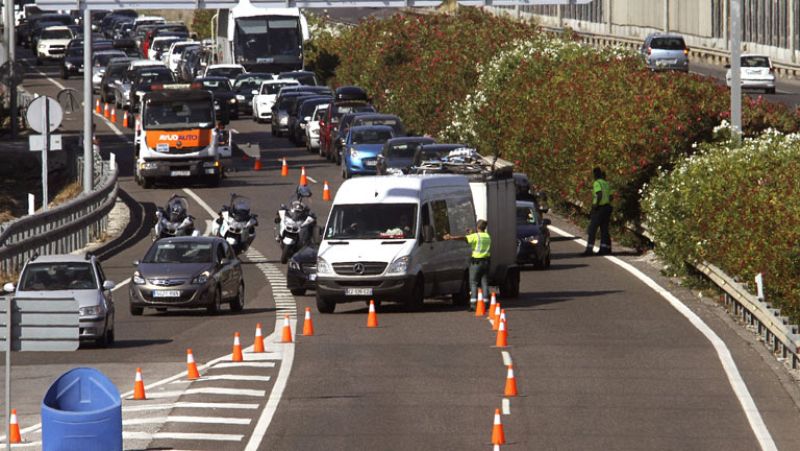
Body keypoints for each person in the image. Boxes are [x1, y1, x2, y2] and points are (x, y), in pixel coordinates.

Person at [444, 220, 491, 311]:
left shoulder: (475, 236)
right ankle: (486, 303)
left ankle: (473, 304)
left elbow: (464, 238)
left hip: (476, 263)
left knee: (473, 283)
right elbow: (477, 237)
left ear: (477, 227)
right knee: (484, 282)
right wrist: (473, 233)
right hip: (486, 262)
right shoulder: (487, 236)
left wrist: (451, 237)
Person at [583, 167, 612, 256]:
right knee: (604, 229)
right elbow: (611, 197)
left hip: (599, 208)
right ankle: (603, 249)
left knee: (592, 229)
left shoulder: (597, 183)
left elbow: (599, 194)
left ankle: (589, 249)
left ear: (595, 174)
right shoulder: (606, 183)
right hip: (607, 208)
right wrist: (606, 202)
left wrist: (595, 206)